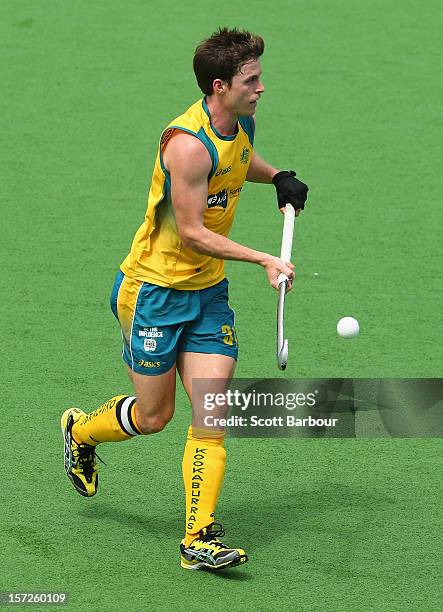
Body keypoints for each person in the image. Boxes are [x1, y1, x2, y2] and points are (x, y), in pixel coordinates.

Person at [61, 27, 309, 571]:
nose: (261, 87)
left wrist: (277, 177)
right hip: (154, 293)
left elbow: (239, 160)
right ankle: (79, 430)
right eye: (251, 80)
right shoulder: (187, 147)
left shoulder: (238, 121)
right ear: (219, 86)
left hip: (207, 295)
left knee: (211, 414)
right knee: (154, 418)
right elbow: (193, 230)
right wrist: (265, 258)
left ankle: (198, 537)